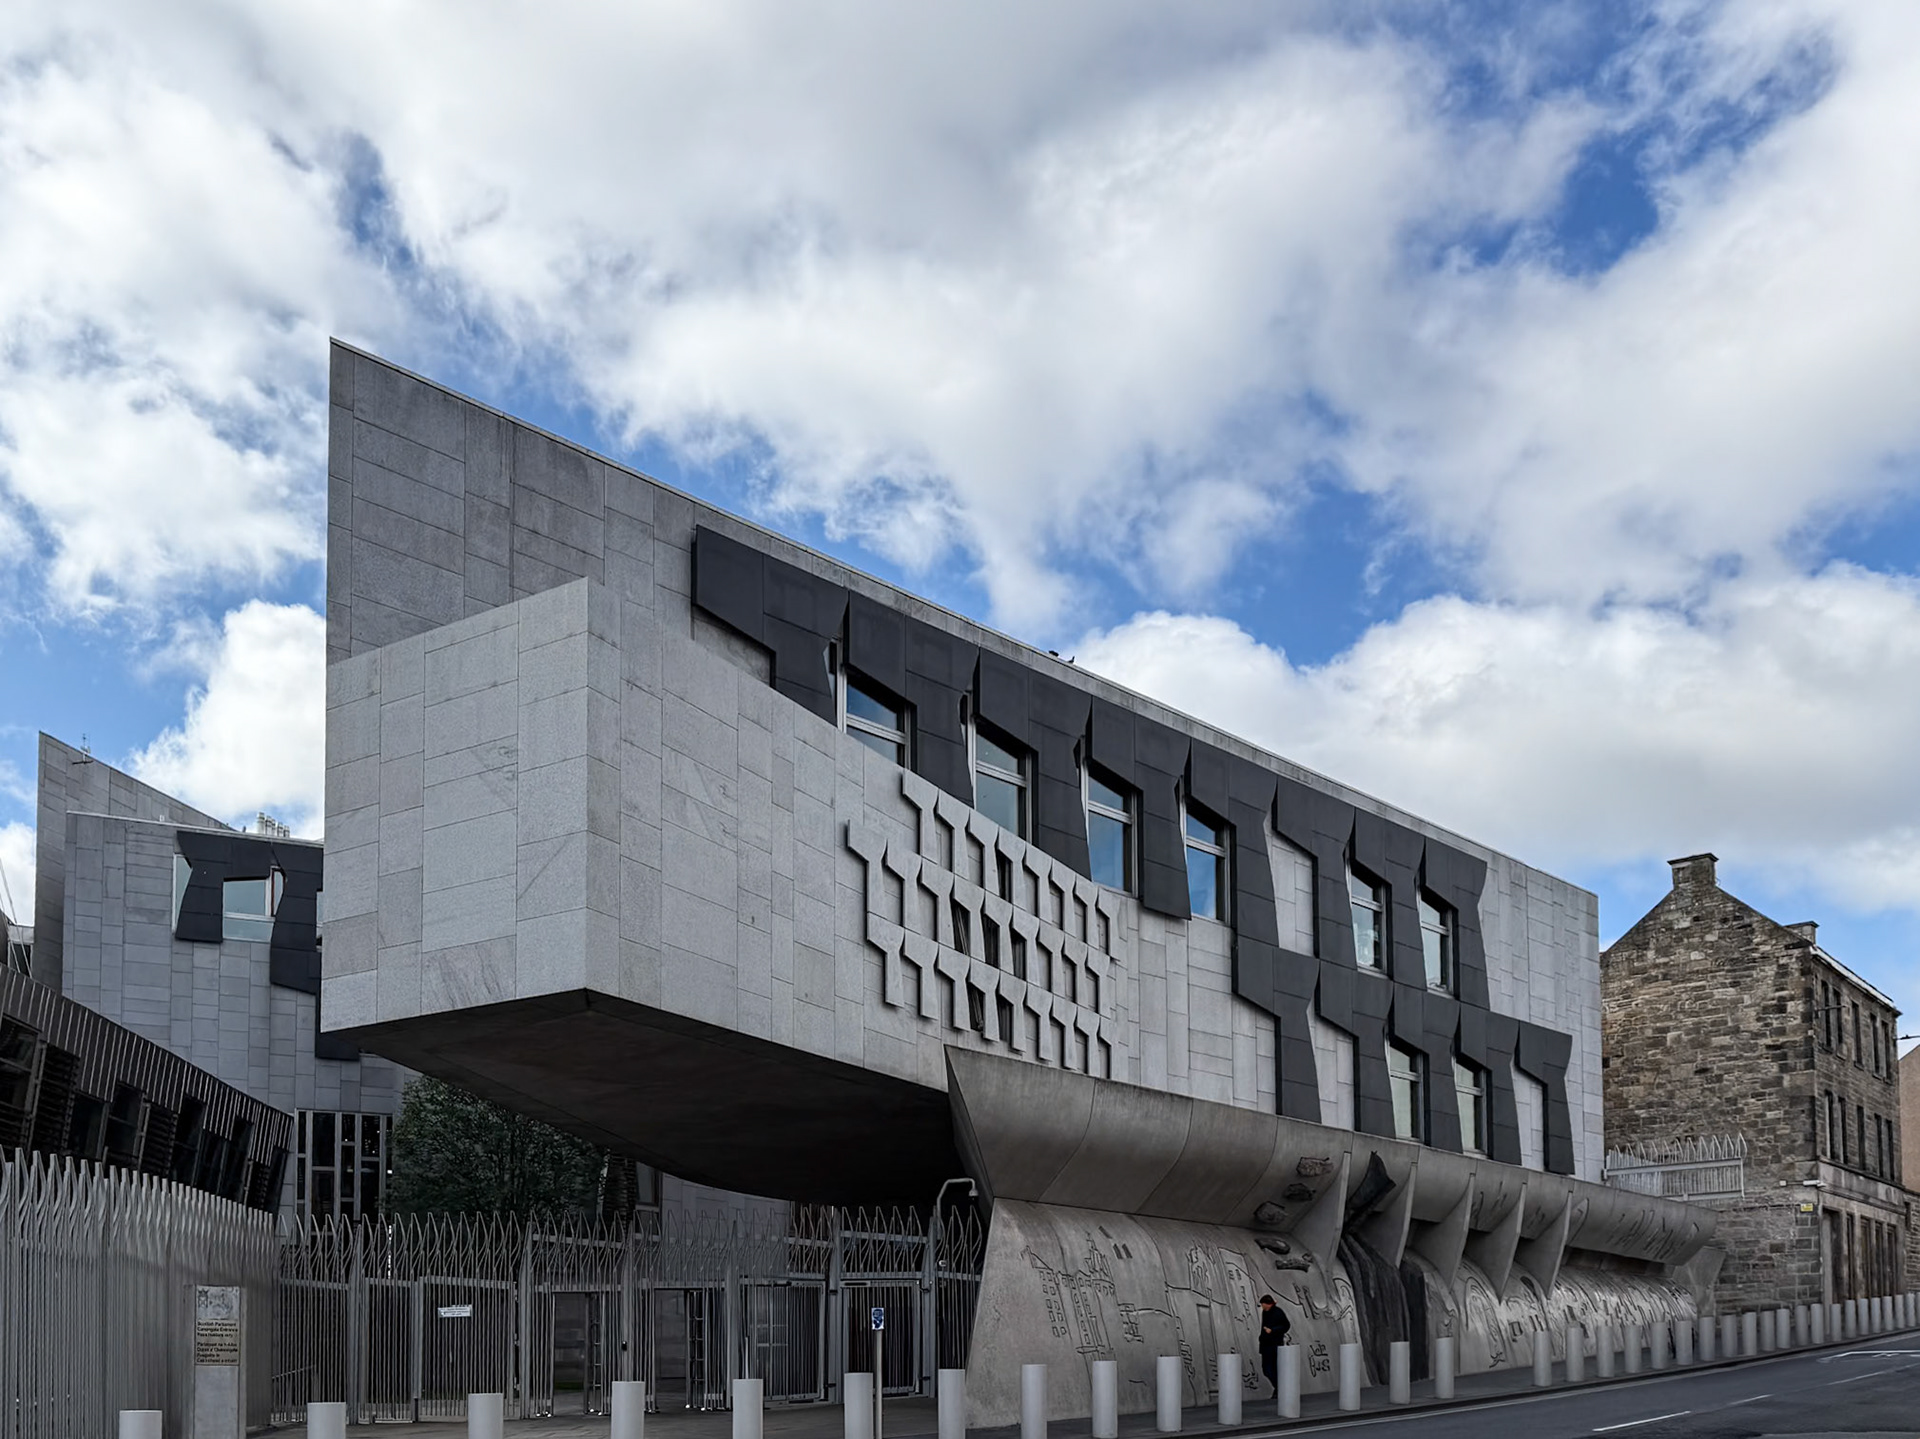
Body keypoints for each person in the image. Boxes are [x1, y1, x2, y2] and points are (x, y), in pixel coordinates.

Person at [1258, 1294, 1291, 1392]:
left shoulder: (1278, 1312)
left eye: (1263, 1304)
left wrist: (1273, 1330)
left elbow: (1286, 1325)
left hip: (1274, 1344)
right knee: (1266, 1369)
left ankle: (1279, 1388)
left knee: (1272, 1368)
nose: (1262, 1306)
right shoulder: (1265, 1312)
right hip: (1265, 1344)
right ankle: (1279, 1387)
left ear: (1268, 1304)